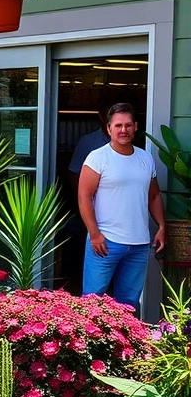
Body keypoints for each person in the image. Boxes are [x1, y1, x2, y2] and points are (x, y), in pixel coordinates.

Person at [78, 102, 165, 310]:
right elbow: (84, 196)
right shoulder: (97, 158)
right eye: (118, 125)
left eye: (128, 125)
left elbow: (154, 195)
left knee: (128, 305)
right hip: (105, 242)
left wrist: (162, 226)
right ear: (109, 128)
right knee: (92, 302)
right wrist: (94, 234)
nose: (123, 130)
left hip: (139, 245)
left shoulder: (145, 158)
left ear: (135, 127)